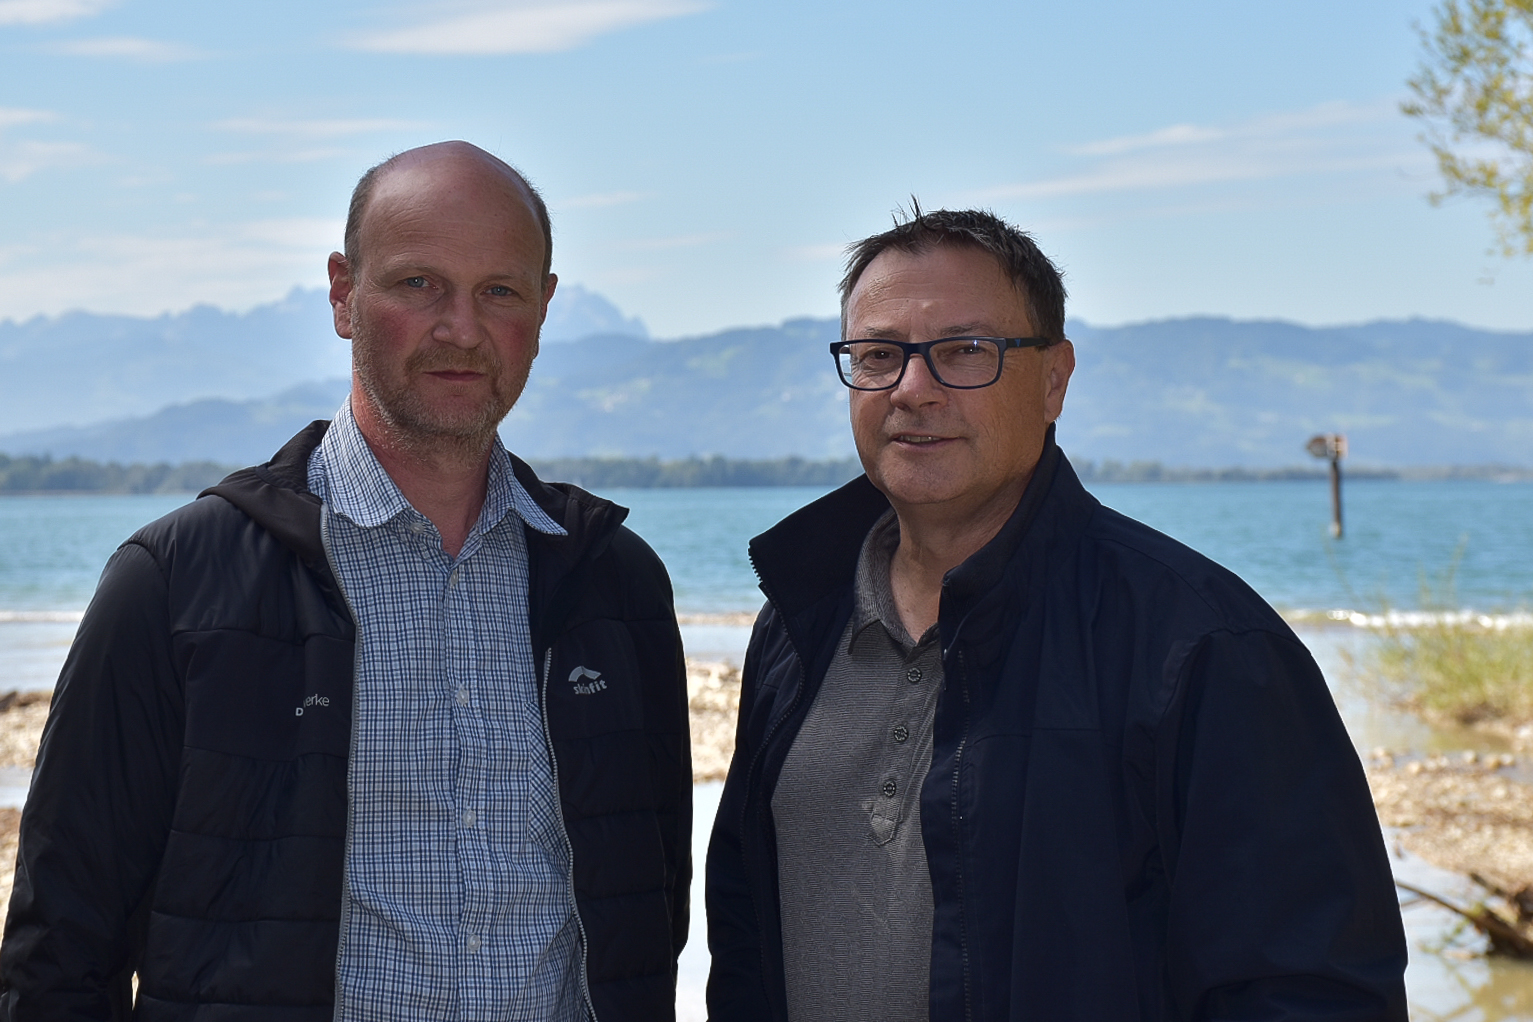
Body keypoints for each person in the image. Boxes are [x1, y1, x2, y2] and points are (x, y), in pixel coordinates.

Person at [0, 141, 691, 1021]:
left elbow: (652, 912)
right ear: (342, 294)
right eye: (418, 284)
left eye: (499, 291)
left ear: (544, 307)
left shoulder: (617, 585)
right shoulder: (176, 583)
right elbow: (61, 947)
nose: (461, 329)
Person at [705, 207, 1407, 1021]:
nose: (911, 389)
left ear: (1053, 380)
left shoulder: (1201, 646)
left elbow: (1311, 989)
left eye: (964, 351)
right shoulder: (797, 625)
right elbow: (746, 940)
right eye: (878, 355)